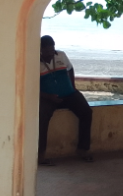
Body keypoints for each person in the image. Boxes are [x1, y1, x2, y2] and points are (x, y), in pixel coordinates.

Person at [39, 35, 93, 165]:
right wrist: (48, 96)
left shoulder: (61, 55)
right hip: (47, 97)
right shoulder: (34, 61)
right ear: (40, 50)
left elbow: (70, 68)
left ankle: (82, 149)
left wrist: (73, 87)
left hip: (68, 94)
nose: (50, 54)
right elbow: (30, 85)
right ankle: (40, 155)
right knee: (42, 118)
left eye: (52, 50)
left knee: (86, 112)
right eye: (46, 51)